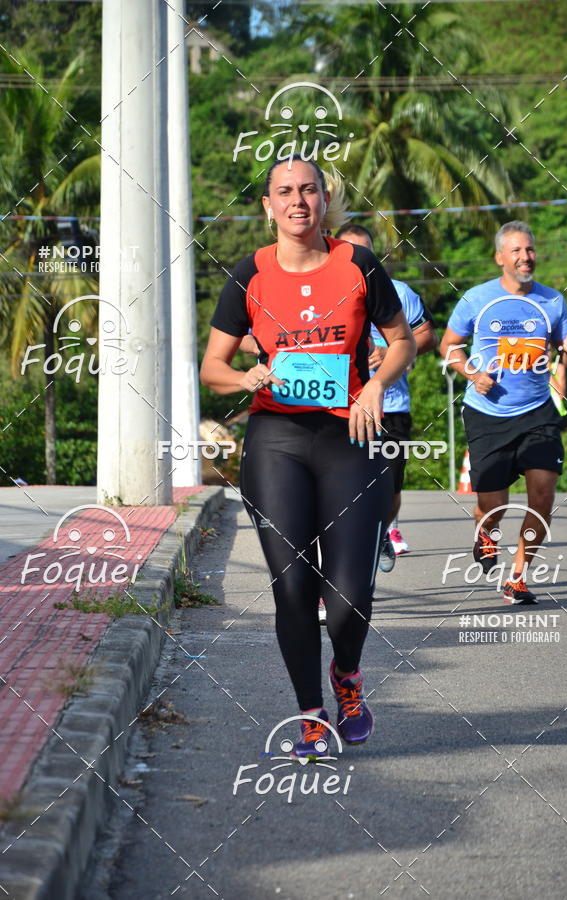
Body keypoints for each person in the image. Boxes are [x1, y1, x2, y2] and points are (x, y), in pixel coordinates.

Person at [200, 156, 416, 757]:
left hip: (349, 439)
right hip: (276, 442)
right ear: (268, 205)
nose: (298, 201)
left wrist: (374, 385)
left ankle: (346, 675)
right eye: (285, 192)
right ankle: (312, 716)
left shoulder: (358, 265)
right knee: (292, 585)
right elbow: (210, 368)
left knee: (349, 596)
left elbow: (401, 342)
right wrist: (245, 378)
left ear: (325, 200)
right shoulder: (250, 273)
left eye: (309, 190)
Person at [439, 221, 567, 604]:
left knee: (542, 495)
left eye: (531, 249)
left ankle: (518, 576)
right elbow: (448, 346)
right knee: (494, 507)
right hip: (487, 412)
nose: (526, 257)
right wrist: (471, 372)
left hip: (537, 412)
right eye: (517, 251)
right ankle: (485, 532)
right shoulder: (476, 299)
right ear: (500, 257)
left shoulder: (553, 301)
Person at [336, 223, 438, 572]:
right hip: (339, 410)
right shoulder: (324, 294)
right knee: (340, 490)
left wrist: (389, 355)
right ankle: (341, 565)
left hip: (390, 407)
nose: (358, 260)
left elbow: (426, 337)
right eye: (349, 252)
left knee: (389, 487)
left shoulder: (398, 292)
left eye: (365, 253)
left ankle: (381, 532)